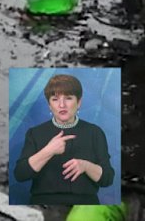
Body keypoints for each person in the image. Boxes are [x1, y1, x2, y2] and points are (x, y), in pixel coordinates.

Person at [14, 74, 116, 205]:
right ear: (49, 105)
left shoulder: (94, 132)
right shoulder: (35, 133)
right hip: (44, 205)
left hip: (84, 205)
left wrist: (86, 166)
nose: (62, 105)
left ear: (79, 102)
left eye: (68, 98)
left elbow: (107, 179)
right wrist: (48, 151)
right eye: (55, 99)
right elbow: (20, 174)